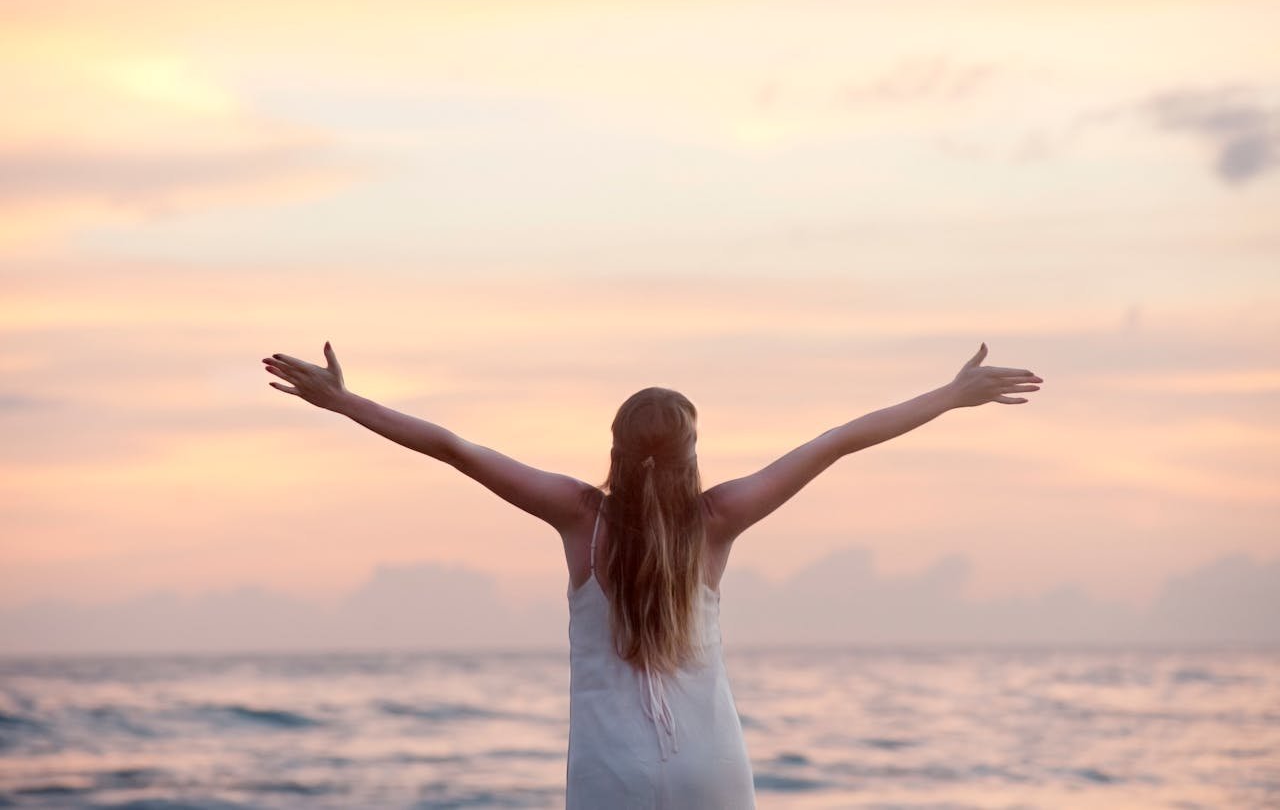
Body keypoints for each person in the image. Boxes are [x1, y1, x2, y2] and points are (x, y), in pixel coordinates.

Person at [261, 342, 1042, 808]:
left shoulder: (577, 516)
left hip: (610, 772)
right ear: (692, 450)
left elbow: (455, 447)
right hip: (710, 764)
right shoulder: (721, 516)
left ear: (616, 443)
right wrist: (950, 396)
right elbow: (838, 439)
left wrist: (343, 401)